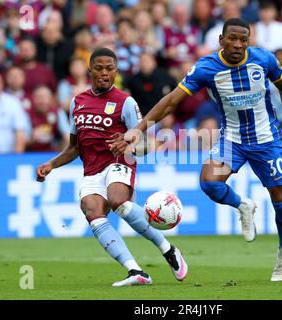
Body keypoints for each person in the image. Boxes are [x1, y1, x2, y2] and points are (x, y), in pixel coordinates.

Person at [109, 18, 282, 282]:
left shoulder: (265, 60)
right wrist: (138, 130)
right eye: (233, 39)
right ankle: (243, 206)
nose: (238, 44)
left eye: (243, 39)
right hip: (232, 141)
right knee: (210, 183)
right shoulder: (207, 68)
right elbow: (171, 102)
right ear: (221, 40)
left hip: (267, 141)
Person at [36, 48, 188, 287]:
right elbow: (75, 147)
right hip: (92, 170)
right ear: (90, 71)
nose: (104, 73)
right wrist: (51, 164)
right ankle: (135, 271)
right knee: (92, 211)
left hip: (120, 163)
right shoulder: (77, 102)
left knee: (118, 201)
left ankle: (168, 250)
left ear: (116, 72)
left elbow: (145, 144)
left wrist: (129, 143)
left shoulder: (125, 102)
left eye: (109, 68)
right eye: (99, 68)